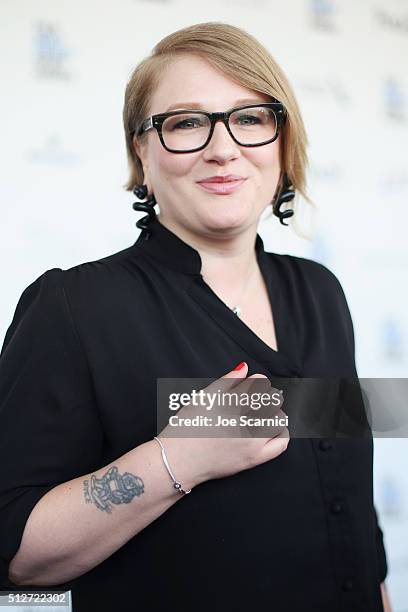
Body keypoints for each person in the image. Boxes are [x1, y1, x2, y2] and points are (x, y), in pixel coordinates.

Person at [0, 21, 391, 612]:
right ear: (143, 150)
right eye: (185, 123)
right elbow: (15, 556)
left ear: (282, 141)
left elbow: (349, 506)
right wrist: (181, 455)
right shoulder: (75, 308)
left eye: (251, 118)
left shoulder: (321, 293)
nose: (223, 148)